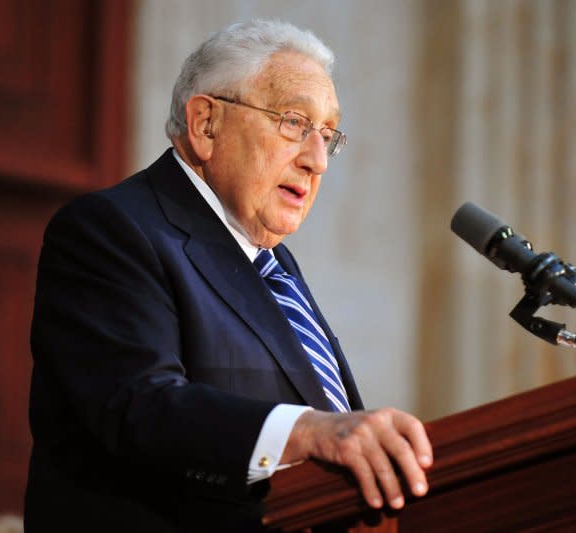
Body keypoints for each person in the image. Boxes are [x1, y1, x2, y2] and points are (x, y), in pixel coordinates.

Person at [24, 19, 433, 532]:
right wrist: (310, 432)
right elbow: (140, 407)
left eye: (328, 135)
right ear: (206, 125)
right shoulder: (112, 231)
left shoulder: (273, 264)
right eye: (293, 122)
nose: (318, 160)